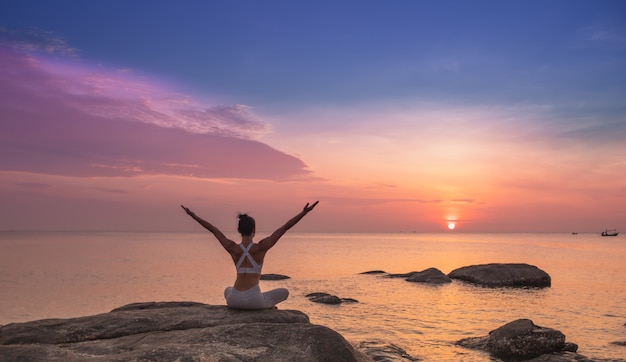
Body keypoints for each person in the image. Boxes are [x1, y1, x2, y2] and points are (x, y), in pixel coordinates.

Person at [181, 201, 319, 309]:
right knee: (284, 292)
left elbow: (213, 229)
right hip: (253, 301)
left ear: (238, 230)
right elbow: (284, 228)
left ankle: (257, 303)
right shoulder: (261, 247)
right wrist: (303, 213)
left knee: (227, 289)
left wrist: (192, 215)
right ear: (254, 230)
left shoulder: (232, 248)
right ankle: (266, 306)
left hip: (233, 300)